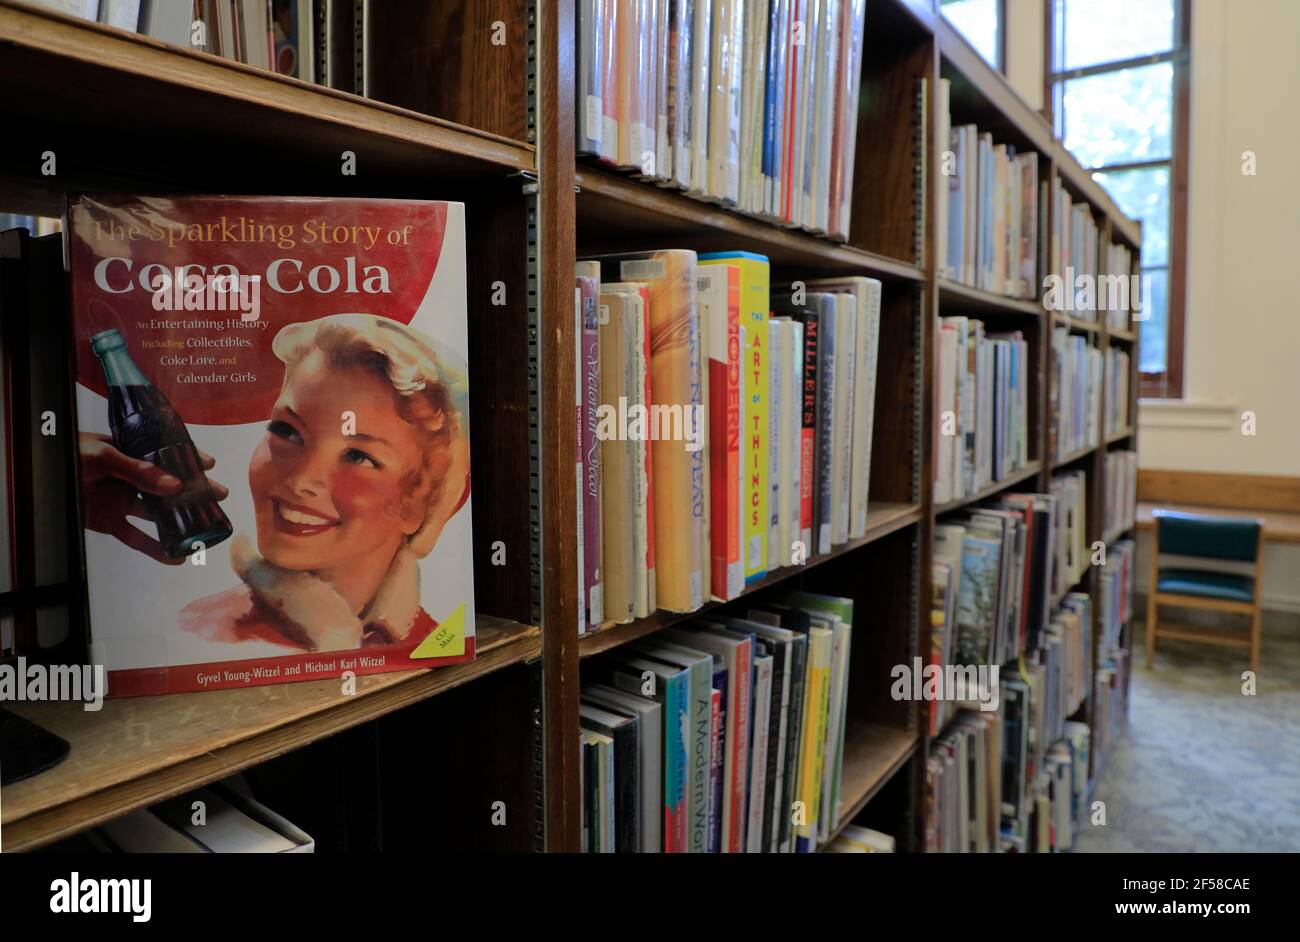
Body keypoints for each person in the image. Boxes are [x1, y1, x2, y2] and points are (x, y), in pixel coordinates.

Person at [168, 313, 471, 652]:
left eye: (358, 456)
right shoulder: (198, 634)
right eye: (286, 431)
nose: (301, 480)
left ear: (418, 501)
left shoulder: (437, 646)